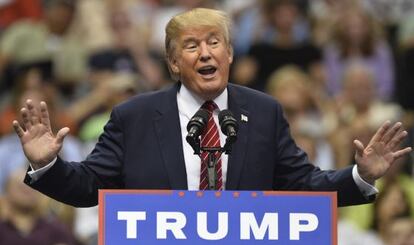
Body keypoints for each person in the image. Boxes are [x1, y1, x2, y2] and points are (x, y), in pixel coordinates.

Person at [12, 8, 412, 208]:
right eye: (191, 46)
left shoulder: (265, 111)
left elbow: (303, 185)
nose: (206, 53)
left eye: (214, 43)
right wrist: (48, 165)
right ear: (172, 63)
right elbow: (89, 187)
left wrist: (359, 174)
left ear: (231, 53)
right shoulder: (132, 118)